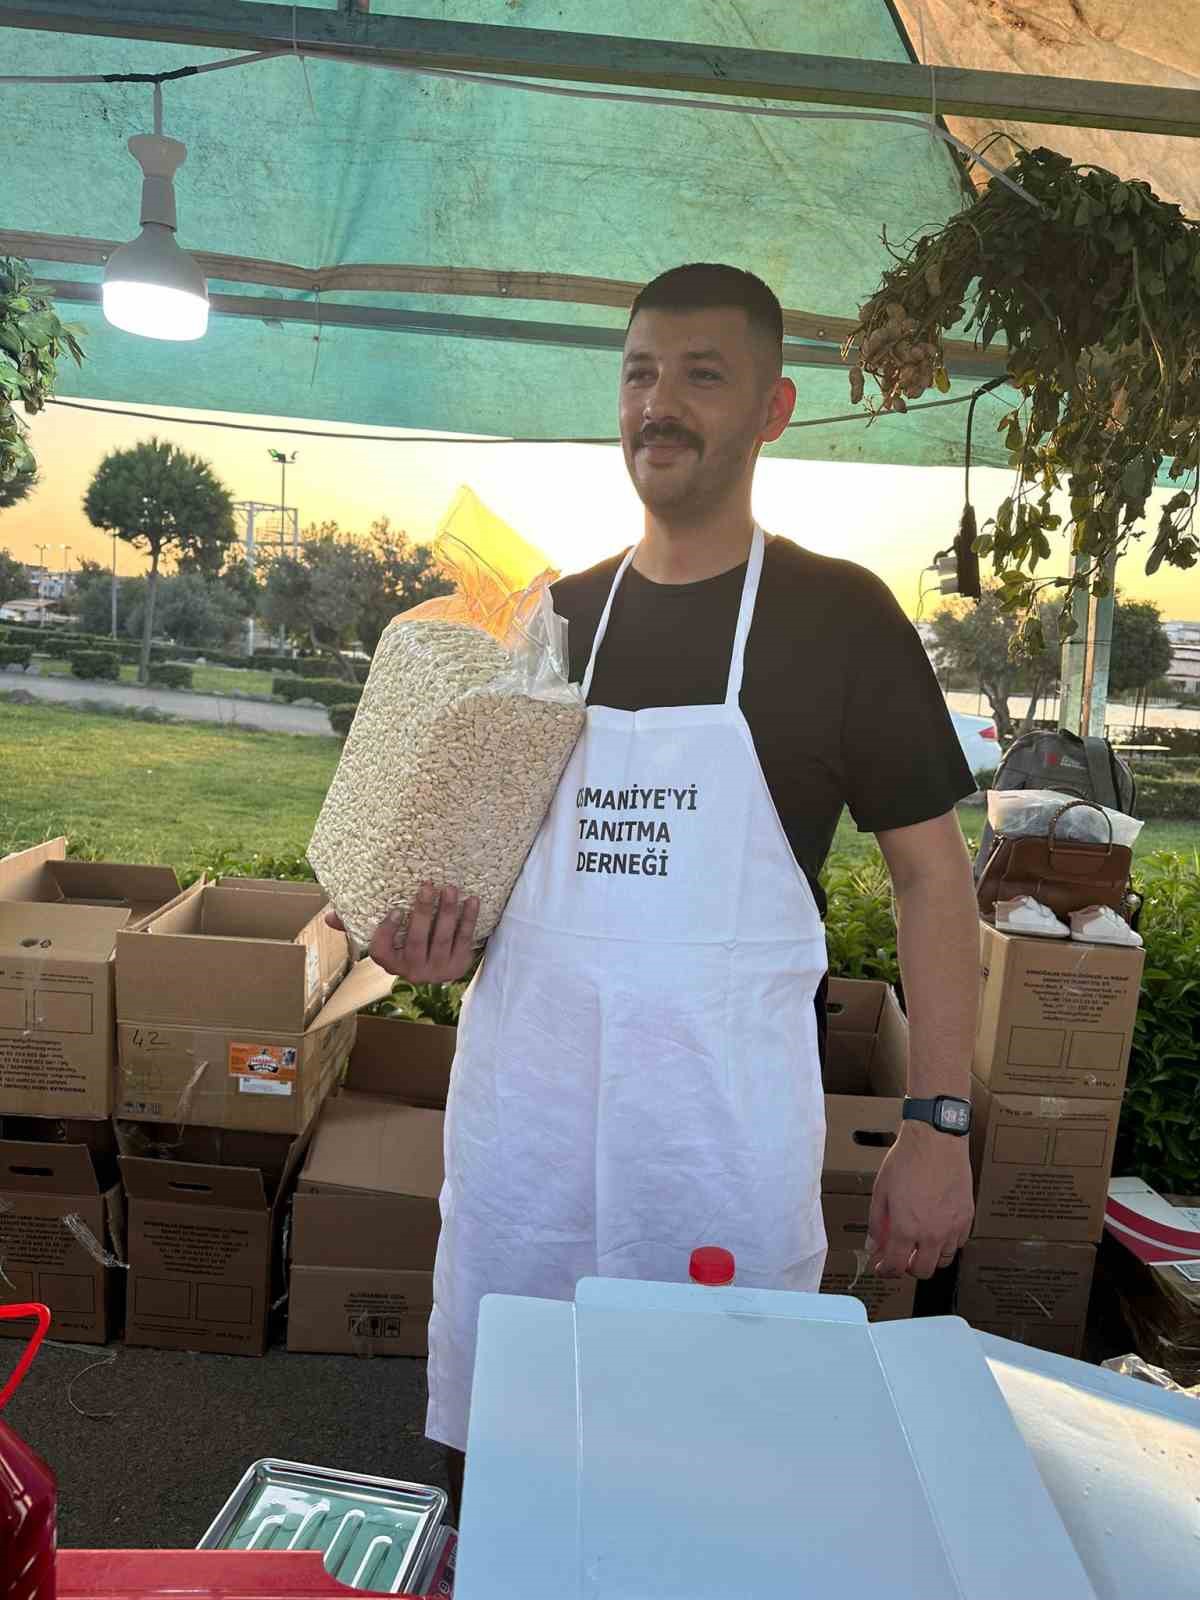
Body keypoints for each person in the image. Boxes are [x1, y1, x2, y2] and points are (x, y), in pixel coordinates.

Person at [333, 264, 980, 1520]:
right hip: (528, 1140)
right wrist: (428, 942)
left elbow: (933, 881)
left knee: (714, 1495)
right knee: (510, 1488)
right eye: (638, 373)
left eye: (700, 375)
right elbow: (470, 879)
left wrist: (937, 1126)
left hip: (718, 1151)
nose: (657, 405)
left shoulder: (840, 620)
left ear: (775, 408)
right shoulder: (548, 621)